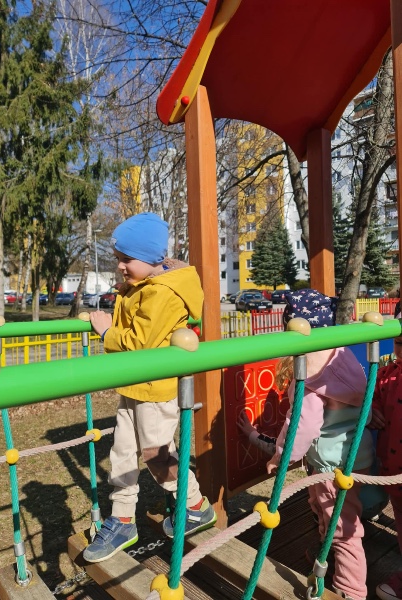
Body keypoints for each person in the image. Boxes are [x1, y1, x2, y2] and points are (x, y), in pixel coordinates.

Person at [83, 212, 216, 563]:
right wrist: (127, 292)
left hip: (155, 389)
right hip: (135, 385)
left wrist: (106, 332)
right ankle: (123, 518)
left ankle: (195, 505)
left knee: (157, 455)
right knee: (122, 452)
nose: (120, 266)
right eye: (118, 258)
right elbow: (139, 318)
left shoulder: (164, 294)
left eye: (127, 259)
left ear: (150, 258)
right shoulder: (146, 286)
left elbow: (141, 342)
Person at [238, 289, 374, 600]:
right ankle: (327, 554)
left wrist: (282, 457)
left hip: (330, 466)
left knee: (344, 530)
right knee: (329, 512)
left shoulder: (310, 378)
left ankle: (352, 590)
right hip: (356, 454)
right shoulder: (345, 360)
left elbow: (304, 425)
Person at [370, 318, 402, 600]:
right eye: (399, 342)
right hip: (393, 465)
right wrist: (372, 411)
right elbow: (374, 399)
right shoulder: (386, 374)